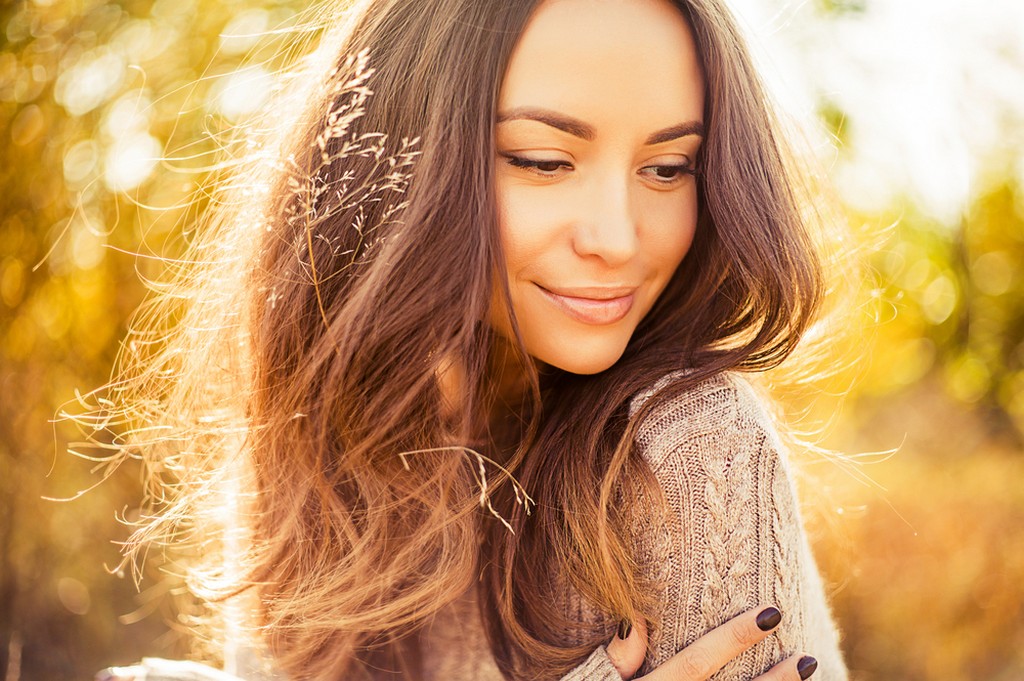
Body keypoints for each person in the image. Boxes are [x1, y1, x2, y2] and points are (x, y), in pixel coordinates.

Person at [93, 0, 850, 679]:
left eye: (667, 167)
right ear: (401, 155)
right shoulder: (309, 425)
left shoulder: (690, 449)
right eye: (544, 161)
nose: (618, 238)